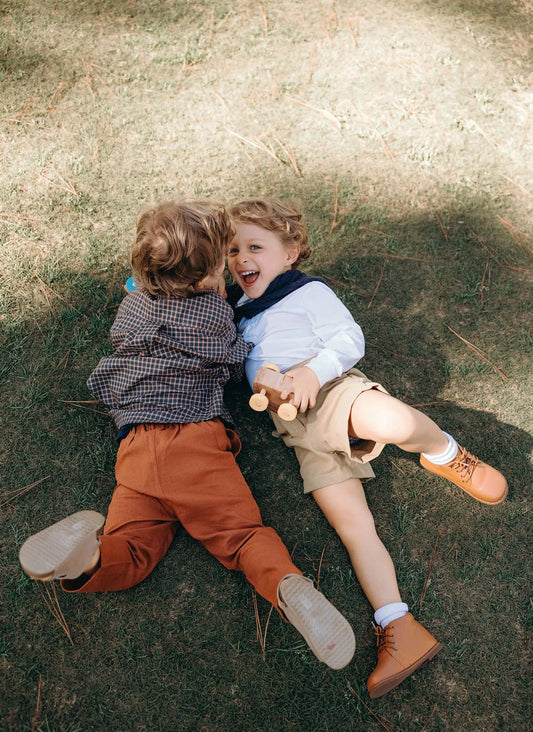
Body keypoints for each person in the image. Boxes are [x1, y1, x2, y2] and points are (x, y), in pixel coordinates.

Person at [18, 200, 356, 671]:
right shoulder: (215, 317)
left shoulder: (133, 304)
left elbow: (144, 285)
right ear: (208, 276)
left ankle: (89, 558)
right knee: (241, 537)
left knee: (133, 551)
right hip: (193, 445)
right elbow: (233, 361)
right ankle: (284, 583)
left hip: (136, 448)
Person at [226, 198, 508, 698]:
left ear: (290, 252)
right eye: (232, 252)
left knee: (392, 420)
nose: (242, 259)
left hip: (333, 391)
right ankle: (398, 627)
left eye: (254, 247)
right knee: (353, 527)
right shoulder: (235, 311)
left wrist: (313, 371)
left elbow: (349, 337)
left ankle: (446, 453)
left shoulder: (304, 292)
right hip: (296, 432)